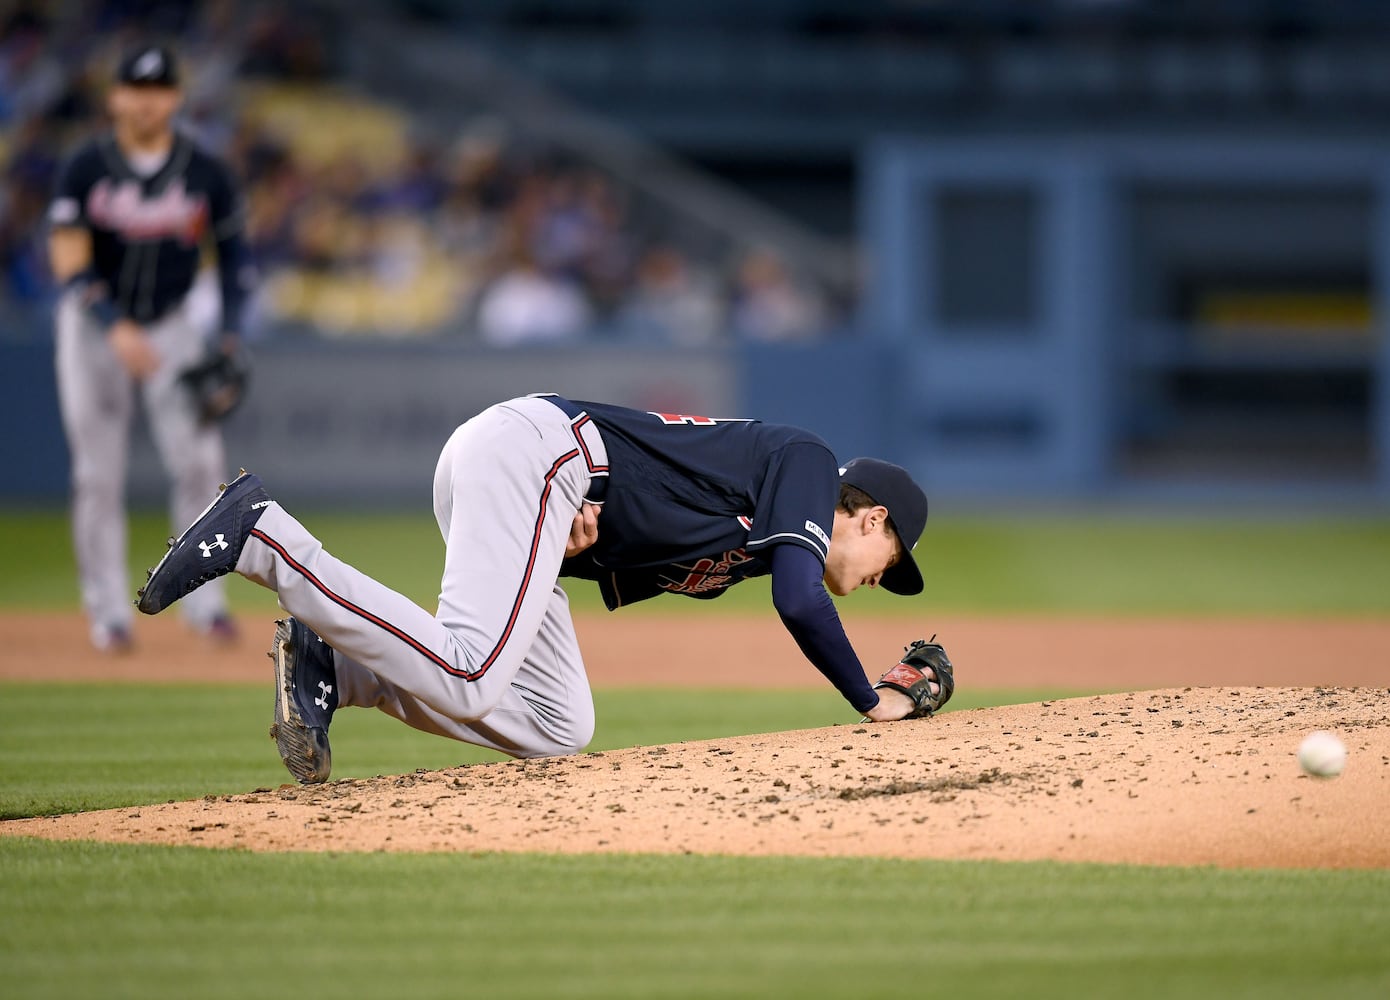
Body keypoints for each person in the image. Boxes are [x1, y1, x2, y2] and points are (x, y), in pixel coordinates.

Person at [136, 394, 938, 783]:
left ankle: (333, 668)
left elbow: (615, 537)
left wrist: (582, 536)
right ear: (868, 518)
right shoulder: (805, 463)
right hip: (538, 454)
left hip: (540, 489)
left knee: (559, 724)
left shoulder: (755, 538)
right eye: (889, 561)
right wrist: (872, 698)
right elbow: (801, 599)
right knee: (472, 673)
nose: (877, 581)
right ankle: (265, 538)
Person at [48, 44, 251, 652]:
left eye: (159, 89)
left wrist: (232, 337)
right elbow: (66, 255)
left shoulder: (205, 171)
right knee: (97, 475)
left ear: (176, 98)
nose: (146, 100)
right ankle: (108, 612)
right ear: (115, 97)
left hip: (171, 325)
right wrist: (113, 322)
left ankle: (204, 604)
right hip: (94, 327)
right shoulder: (86, 166)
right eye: (135, 89)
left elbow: (237, 261)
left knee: (200, 466)